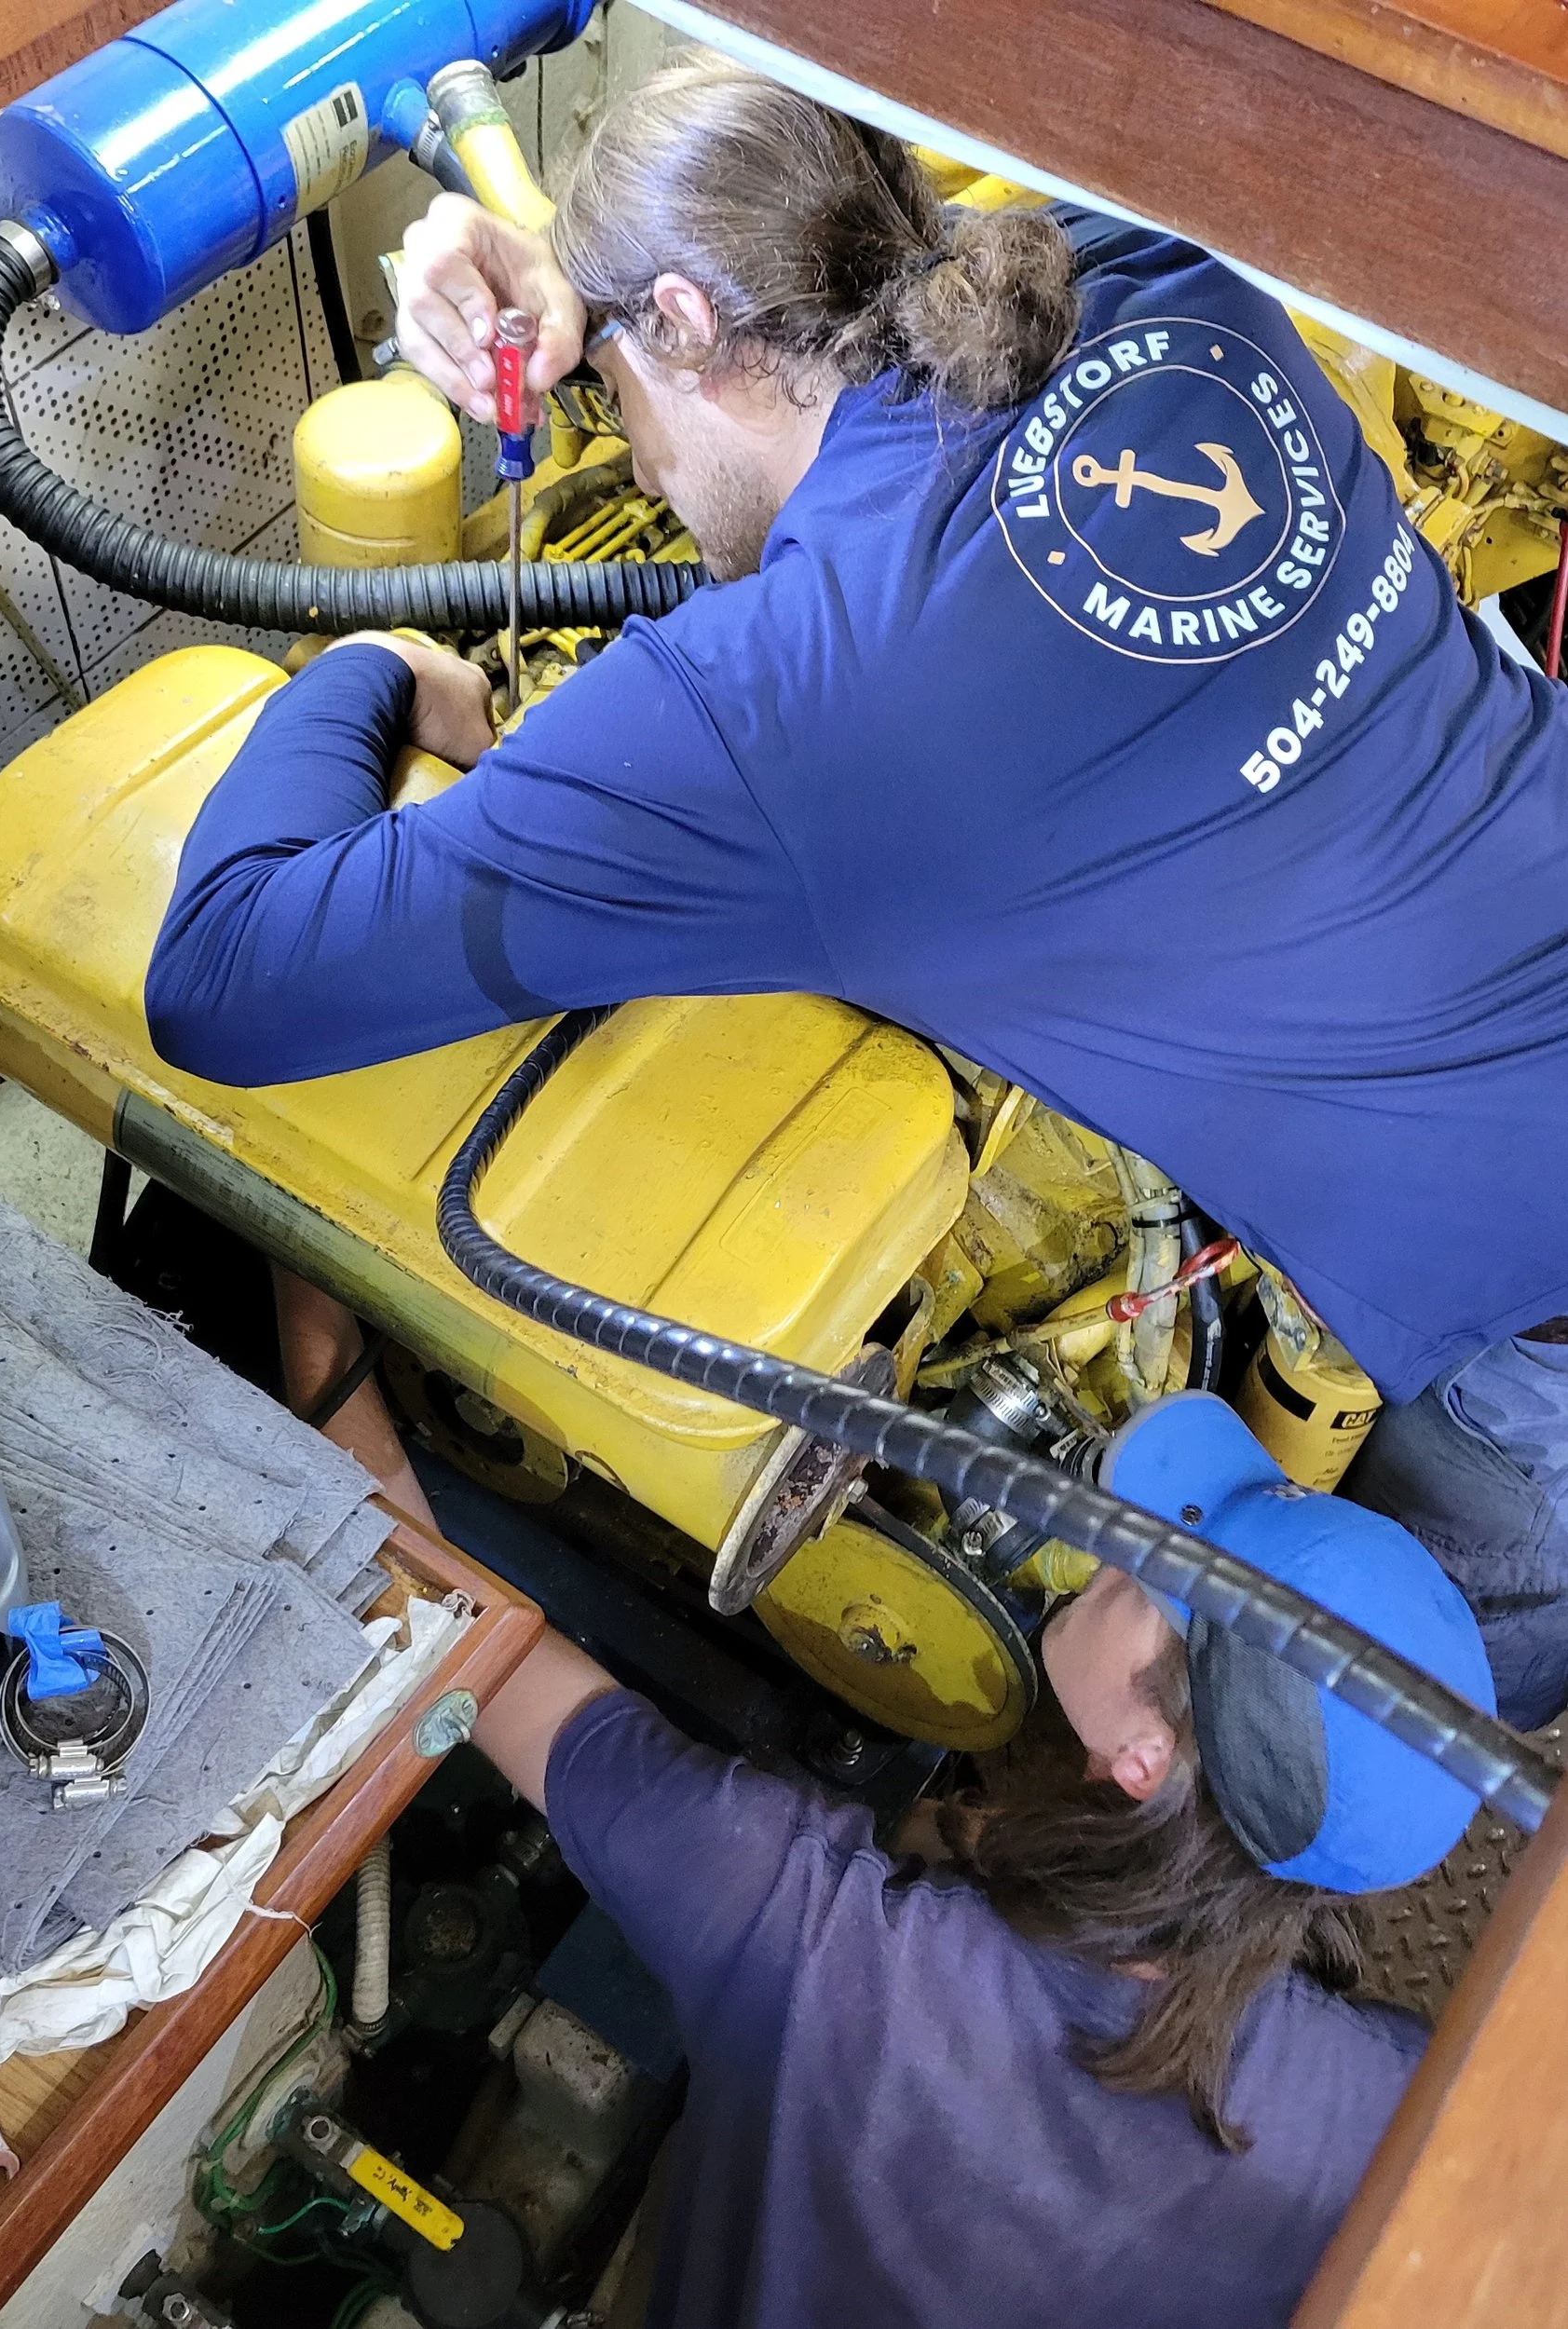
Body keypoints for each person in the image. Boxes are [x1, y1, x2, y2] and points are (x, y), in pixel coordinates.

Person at [140, 58, 1568, 1720]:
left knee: (1438, 1684)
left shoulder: (787, 706)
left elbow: (220, 981)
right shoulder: (1159, 275)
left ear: (681, 315)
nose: (639, 459)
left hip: (1525, 1303)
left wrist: (367, 667)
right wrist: (574, 288)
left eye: (616, 382)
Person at [461, 1394, 1494, 2328]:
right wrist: (964, 1837)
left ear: (1145, 1758)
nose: (1114, 1549)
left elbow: (442, 1623)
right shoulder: (1402, 2112)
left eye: (1150, 1574)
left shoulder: (814, 1946)